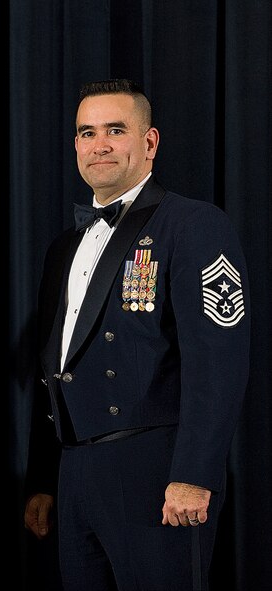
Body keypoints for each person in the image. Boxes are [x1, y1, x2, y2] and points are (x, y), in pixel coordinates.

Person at [23, 78, 250, 590]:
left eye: (115, 130)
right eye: (87, 132)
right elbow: (53, 370)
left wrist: (194, 474)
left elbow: (218, 362)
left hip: (157, 469)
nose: (99, 144)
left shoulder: (193, 224)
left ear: (149, 142)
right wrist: (43, 479)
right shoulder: (63, 248)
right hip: (75, 470)